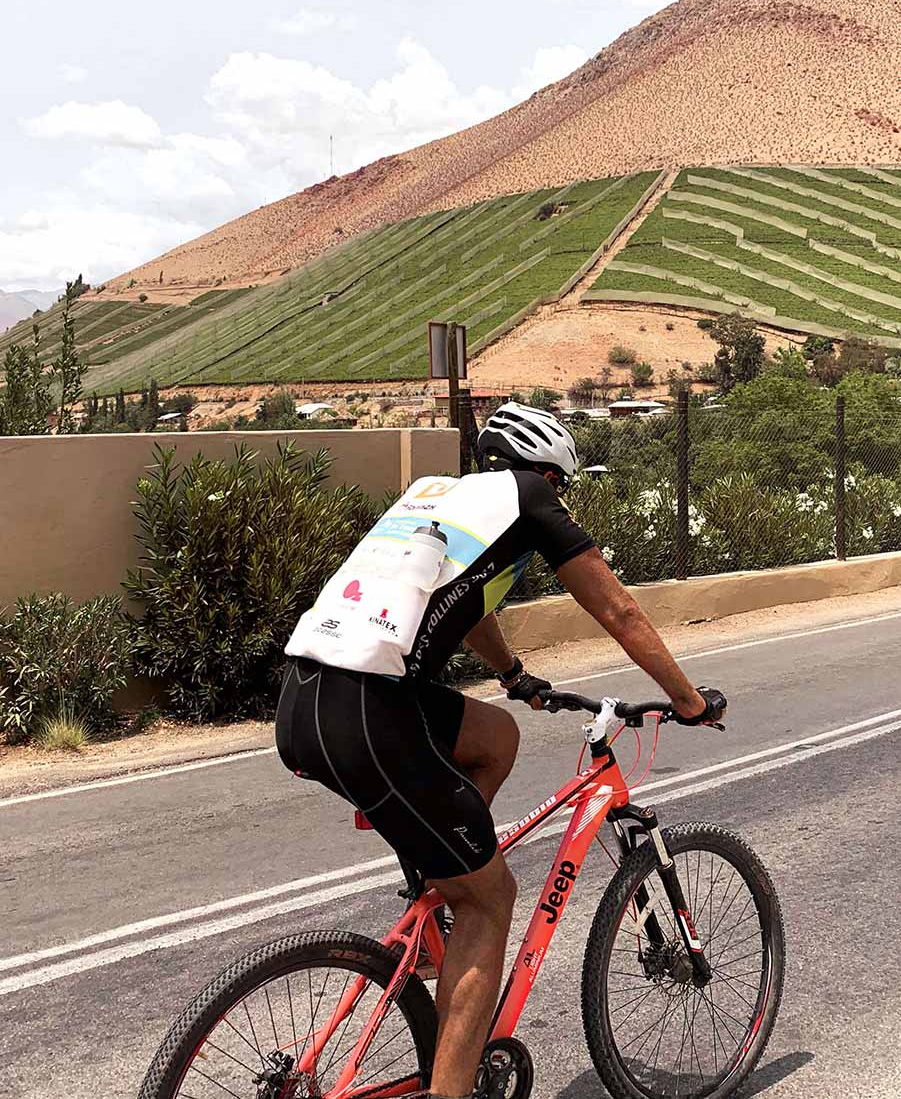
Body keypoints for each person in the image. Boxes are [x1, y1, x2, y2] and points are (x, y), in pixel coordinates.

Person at [275, 401, 725, 1099]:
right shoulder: (532, 496)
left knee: (495, 737)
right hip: (370, 712)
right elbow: (619, 610)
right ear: (547, 472)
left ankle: (437, 890)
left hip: (304, 699)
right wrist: (689, 700)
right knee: (492, 897)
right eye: (559, 488)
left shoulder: (441, 497)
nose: (559, 500)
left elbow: (469, 606)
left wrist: (515, 678)